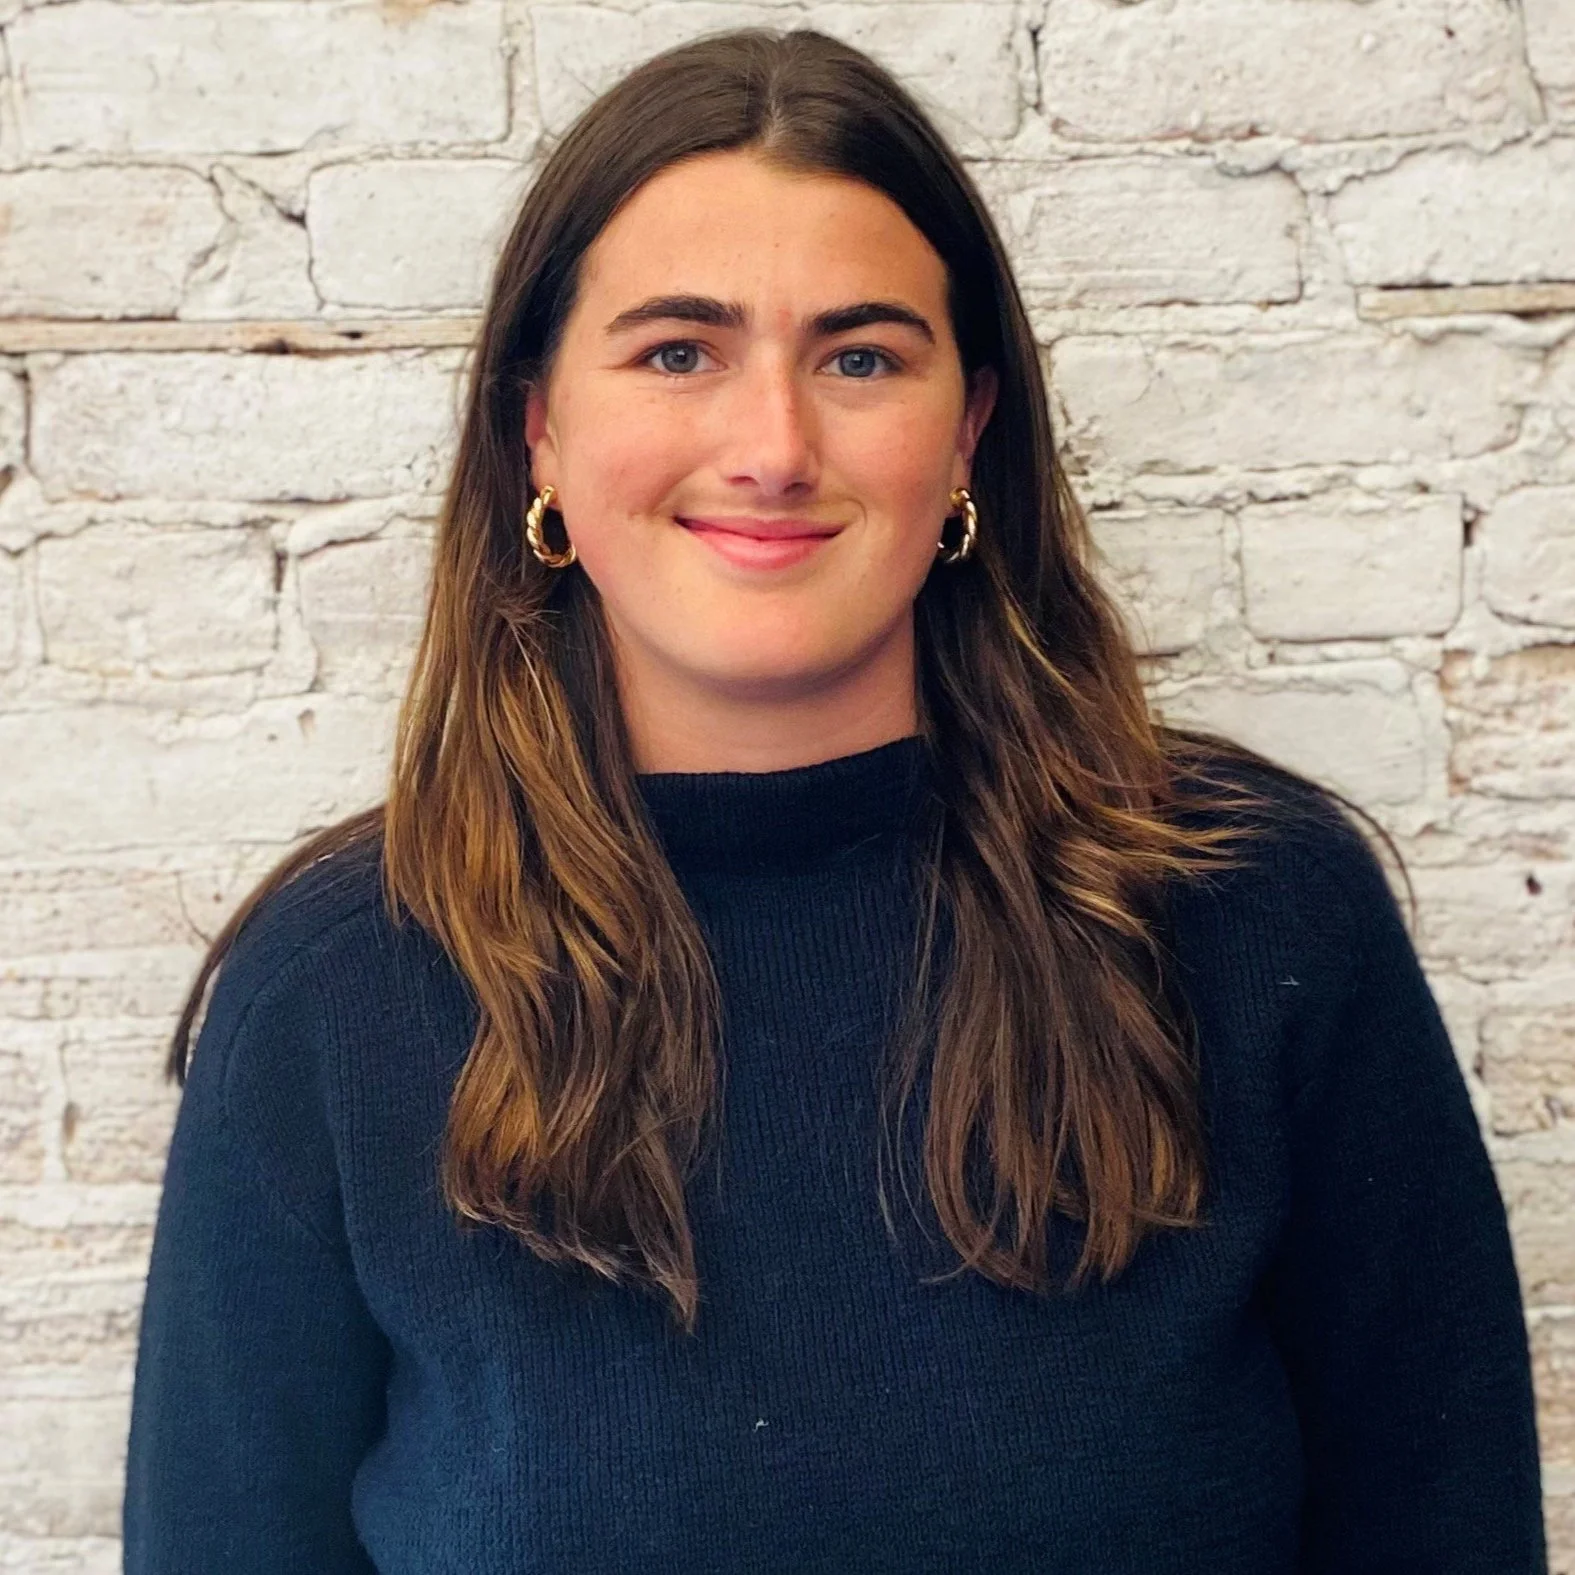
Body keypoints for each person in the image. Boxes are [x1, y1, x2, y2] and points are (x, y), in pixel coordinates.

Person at [120, 26, 1548, 1575]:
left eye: (859, 356)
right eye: (679, 351)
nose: (775, 446)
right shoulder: (338, 990)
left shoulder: (1251, 912)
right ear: (539, 423)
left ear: (967, 433)